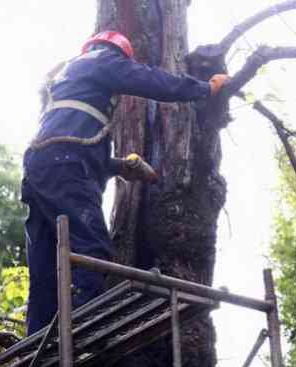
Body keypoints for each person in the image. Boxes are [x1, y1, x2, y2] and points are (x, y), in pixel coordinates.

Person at [21, 30, 229, 336]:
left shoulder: (68, 81)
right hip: (63, 163)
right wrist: (203, 89)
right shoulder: (102, 59)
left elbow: (71, 146)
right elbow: (151, 80)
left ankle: (38, 340)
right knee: (91, 248)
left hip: (41, 168)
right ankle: (81, 330)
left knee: (45, 263)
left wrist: (122, 167)